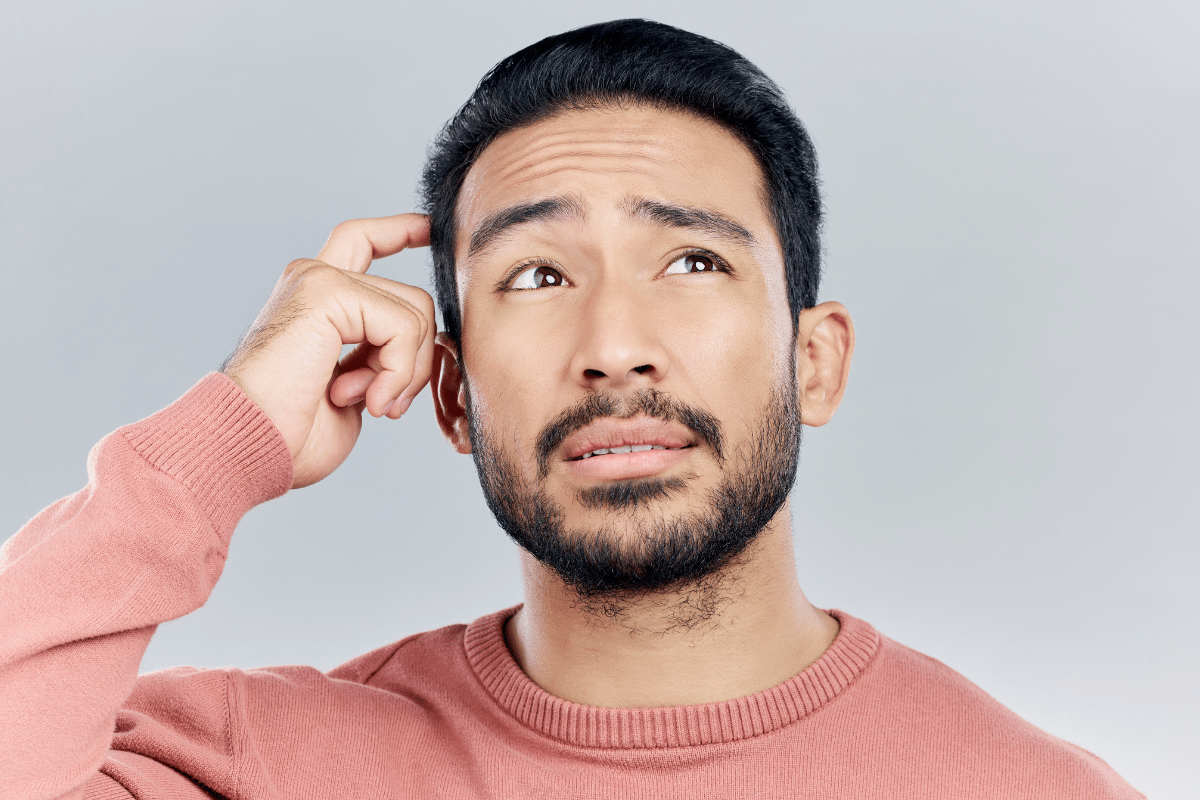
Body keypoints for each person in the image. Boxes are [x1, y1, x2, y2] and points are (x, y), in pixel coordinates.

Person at [0, 18, 1142, 800]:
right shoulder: (263, 762)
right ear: (453, 393)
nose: (613, 347)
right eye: (538, 277)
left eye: (690, 261)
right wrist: (219, 443)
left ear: (816, 361)